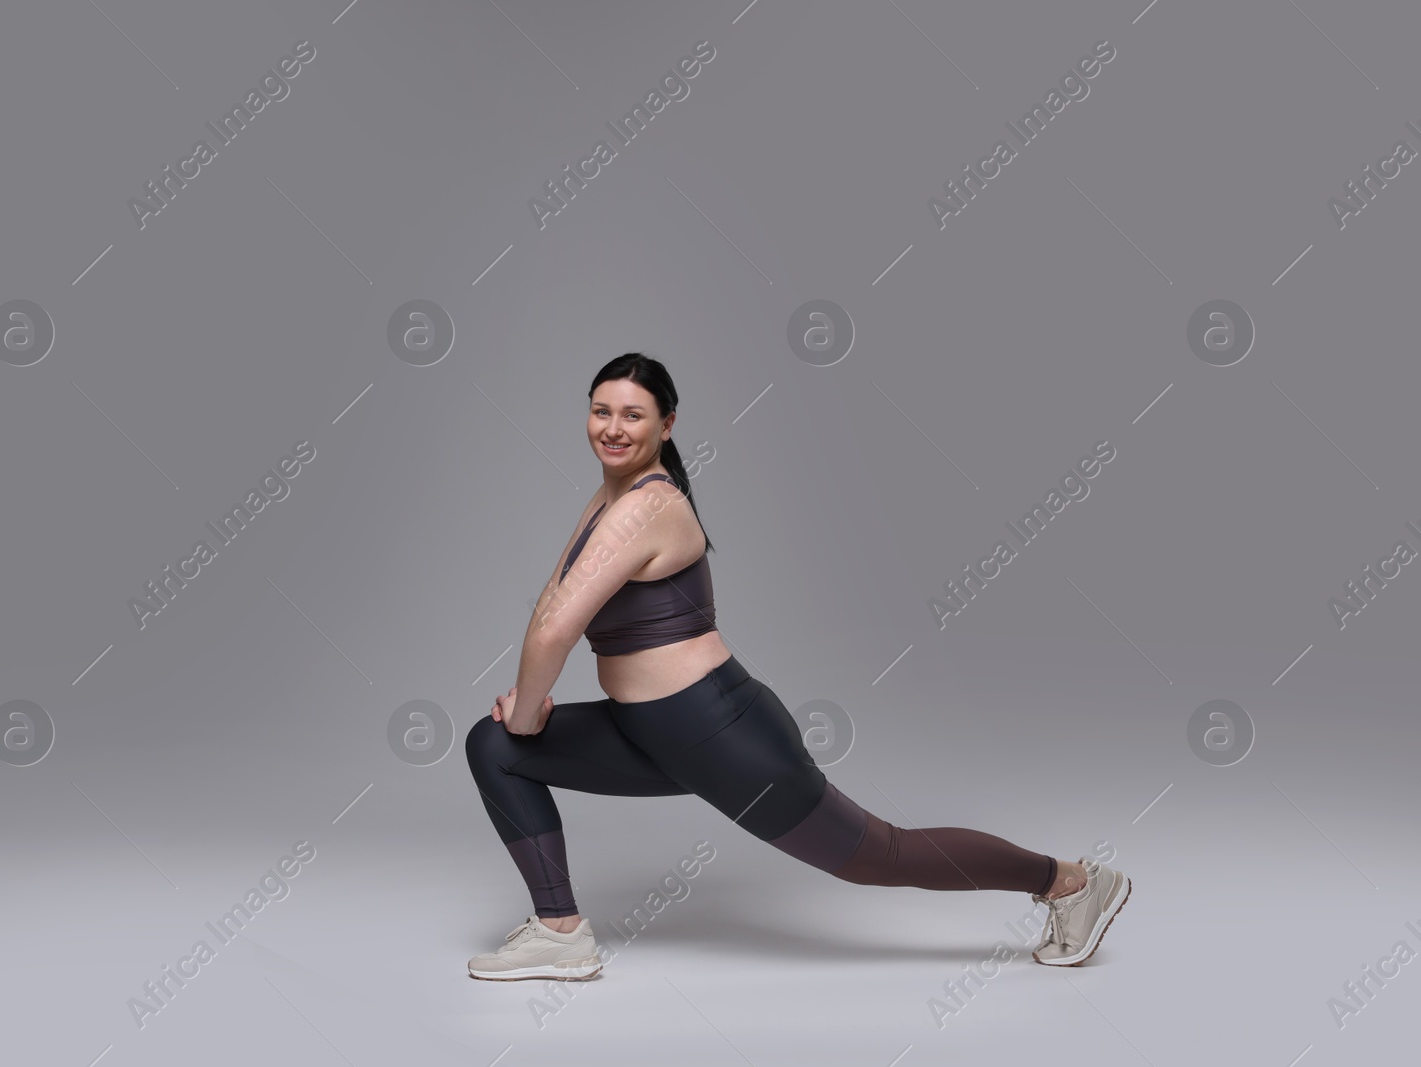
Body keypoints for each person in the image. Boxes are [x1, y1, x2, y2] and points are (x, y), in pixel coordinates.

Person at [464, 353, 1129, 982]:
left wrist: (528, 710)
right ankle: (560, 931)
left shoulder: (649, 504)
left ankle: (1071, 881)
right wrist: (524, 706)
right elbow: (552, 602)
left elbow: (557, 627)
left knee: (881, 856)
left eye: (632, 414)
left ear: (667, 425)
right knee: (494, 746)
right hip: (649, 733)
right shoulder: (608, 498)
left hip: (722, 735)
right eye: (600, 410)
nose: (612, 427)